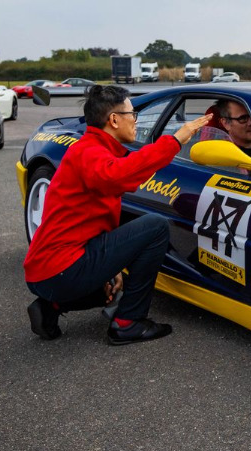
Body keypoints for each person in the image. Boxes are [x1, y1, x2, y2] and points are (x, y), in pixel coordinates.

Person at [23, 85, 210, 345]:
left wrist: (113, 268)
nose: (135, 121)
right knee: (155, 226)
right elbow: (119, 175)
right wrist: (175, 141)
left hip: (47, 271)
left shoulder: (89, 149)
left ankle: (50, 307)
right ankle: (128, 323)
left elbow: (93, 219)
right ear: (114, 120)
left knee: (115, 287)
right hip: (60, 271)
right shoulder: (89, 152)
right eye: (132, 115)